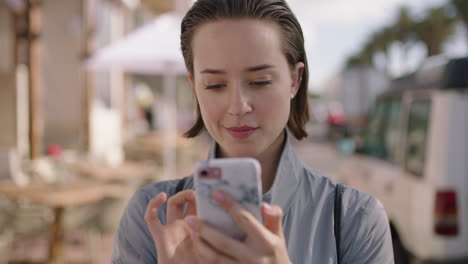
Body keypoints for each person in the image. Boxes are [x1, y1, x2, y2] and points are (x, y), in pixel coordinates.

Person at [111, 0, 394, 263]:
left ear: (295, 80)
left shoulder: (354, 219)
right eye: (214, 85)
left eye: (260, 81)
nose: (238, 107)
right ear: (194, 84)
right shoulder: (152, 217)